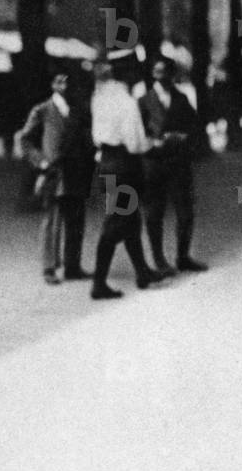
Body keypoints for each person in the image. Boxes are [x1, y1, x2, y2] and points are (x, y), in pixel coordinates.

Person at [89, 49, 160, 300]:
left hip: (107, 163)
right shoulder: (127, 103)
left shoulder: (99, 98)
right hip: (124, 165)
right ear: (129, 73)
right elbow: (134, 144)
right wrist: (154, 143)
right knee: (117, 223)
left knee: (130, 220)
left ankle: (142, 272)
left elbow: (97, 136)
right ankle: (98, 284)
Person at [18, 73, 95, 284]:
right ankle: (49, 268)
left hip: (77, 170)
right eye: (60, 81)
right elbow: (25, 140)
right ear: (53, 85)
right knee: (52, 219)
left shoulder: (79, 110)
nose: (65, 85)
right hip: (54, 171)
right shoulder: (42, 110)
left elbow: (88, 137)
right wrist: (41, 162)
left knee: (76, 219)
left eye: (69, 81)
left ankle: (73, 266)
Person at [138, 55, 207, 276]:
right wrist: (154, 142)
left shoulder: (182, 98)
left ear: (172, 74)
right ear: (152, 74)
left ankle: (183, 257)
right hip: (154, 163)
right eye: (157, 72)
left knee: (185, 212)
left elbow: (195, 127)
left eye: (165, 72)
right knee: (154, 213)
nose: (161, 76)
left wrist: (183, 137)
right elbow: (137, 132)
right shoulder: (144, 101)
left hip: (179, 162)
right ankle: (159, 260)